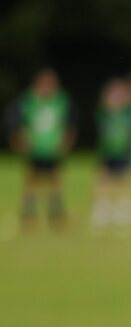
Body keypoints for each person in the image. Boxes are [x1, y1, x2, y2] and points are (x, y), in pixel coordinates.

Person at [6, 68, 76, 229]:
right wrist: (18, 141)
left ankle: (56, 211)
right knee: (31, 180)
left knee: (55, 180)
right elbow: (16, 122)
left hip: (53, 148)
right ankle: (28, 211)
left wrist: (66, 143)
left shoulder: (61, 100)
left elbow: (70, 123)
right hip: (34, 147)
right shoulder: (28, 100)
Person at [92, 78, 131, 230]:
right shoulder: (104, 113)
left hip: (123, 152)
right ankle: (102, 210)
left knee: (124, 181)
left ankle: (124, 210)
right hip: (107, 152)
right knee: (103, 180)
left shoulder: (129, 113)